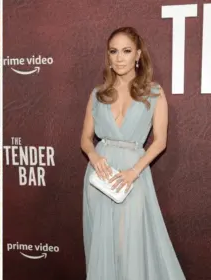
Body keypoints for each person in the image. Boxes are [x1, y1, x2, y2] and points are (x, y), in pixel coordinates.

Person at [80, 27, 185, 280]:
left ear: (138, 54)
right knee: (101, 244)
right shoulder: (97, 94)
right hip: (100, 176)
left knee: (129, 245)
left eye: (126, 51)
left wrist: (133, 172)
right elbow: (85, 139)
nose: (119, 58)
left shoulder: (154, 93)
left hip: (133, 175)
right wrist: (94, 157)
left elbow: (160, 141)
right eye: (113, 51)